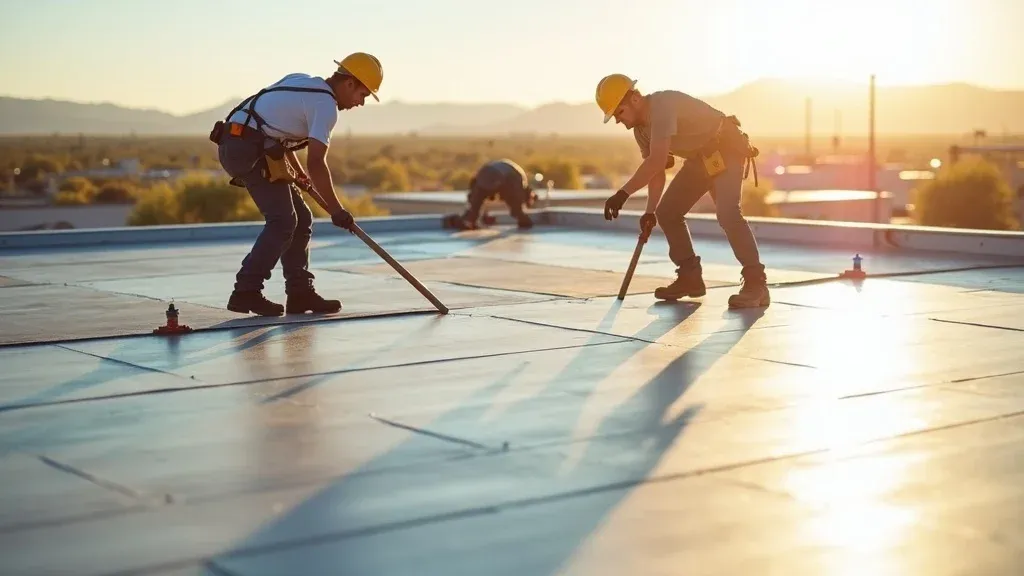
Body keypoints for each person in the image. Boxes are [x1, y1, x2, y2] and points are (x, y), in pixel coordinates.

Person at [210, 52, 383, 317]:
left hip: (244, 144)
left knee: (301, 218)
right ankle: (246, 292)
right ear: (349, 83)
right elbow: (317, 162)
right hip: (246, 149)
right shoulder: (325, 106)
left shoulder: (305, 82)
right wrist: (337, 210)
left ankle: (300, 293)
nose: (361, 103)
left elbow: (276, 130)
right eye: (363, 95)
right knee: (282, 221)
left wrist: (298, 174)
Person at [595, 74, 770, 309]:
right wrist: (650, 212)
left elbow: (656, 161)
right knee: (667, 212)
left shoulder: (662, 106)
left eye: (619, 112)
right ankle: (690, 277)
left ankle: (756, 285)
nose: (618, 120)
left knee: (728, 214)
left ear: (635, 99)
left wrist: (623, 194)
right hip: (701, 160)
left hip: (725, 148)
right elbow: (657, 170)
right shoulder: (641, 130)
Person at [444, 159, 536, 230]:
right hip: (499, 174)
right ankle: (523, 220)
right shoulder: (520, 180)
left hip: (486, 171)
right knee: (515, 206)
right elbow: (515, 197)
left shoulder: (518, 177)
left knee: (476, 203)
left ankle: (467, 220)